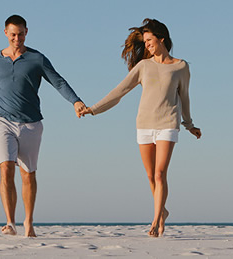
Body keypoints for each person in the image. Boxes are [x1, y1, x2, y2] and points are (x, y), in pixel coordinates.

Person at [81, 18, 202, 237]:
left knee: (159, 173)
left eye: (149, 40)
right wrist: (94, 109)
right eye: (144, 41)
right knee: (149, 175)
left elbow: (184, 97)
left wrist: (189, 124)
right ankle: (162, 210)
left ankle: (155, 220)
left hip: (168, 124)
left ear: (161, 39)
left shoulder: (181, 66)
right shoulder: (144, 66)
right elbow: (120, 91)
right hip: (144, 125)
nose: (146, 44)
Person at [0, 15, 86, 237]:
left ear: (26, 32)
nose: (17, 38)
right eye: (13, 34)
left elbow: (58, 81)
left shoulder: (36, 58)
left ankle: (29, 222)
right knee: (6, 168)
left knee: (28, 174)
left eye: (21, 34)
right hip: (2, 120)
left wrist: (76, 101)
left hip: (31, 123)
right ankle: (10, 222)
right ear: (5, 33)